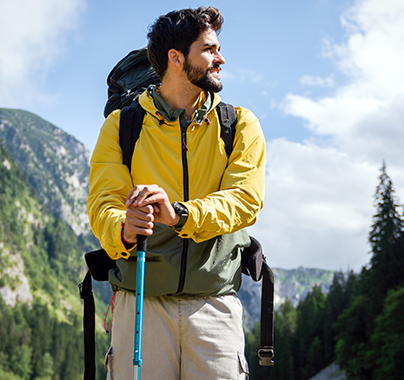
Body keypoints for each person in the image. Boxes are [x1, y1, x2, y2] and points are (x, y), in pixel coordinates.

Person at [87, 7, 266, 379]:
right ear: (176, 57)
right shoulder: (121, 127)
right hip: (141, 304)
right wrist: (124, 226)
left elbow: (244, 200)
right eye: (209, 49)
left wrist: (179, 214)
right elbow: (103, 204)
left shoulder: (239, 125)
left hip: (215, 304)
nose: (221, 58)